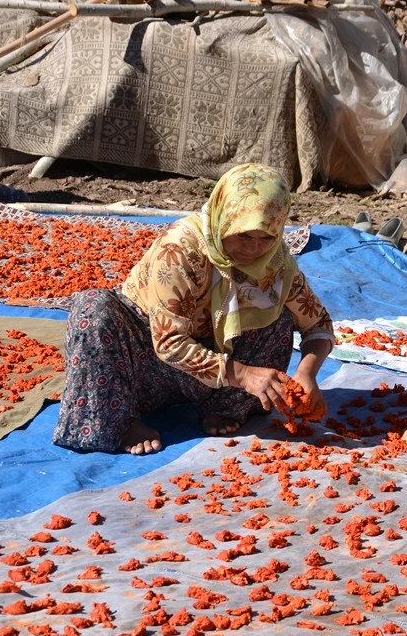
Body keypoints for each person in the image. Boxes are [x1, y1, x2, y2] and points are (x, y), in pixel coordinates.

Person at [53, 163, 334, 454]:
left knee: (279, 317)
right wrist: (246, 376)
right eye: (244, 236)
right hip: (143, 365)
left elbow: (319, 325)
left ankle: (226, 406)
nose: (253, 249)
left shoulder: (277, 262)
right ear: (224, 218)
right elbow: (169, 344)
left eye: (266, 238)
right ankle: (119, 422)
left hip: (213, 371)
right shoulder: (181, 249)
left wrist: (307, 373)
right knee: (92, 309)